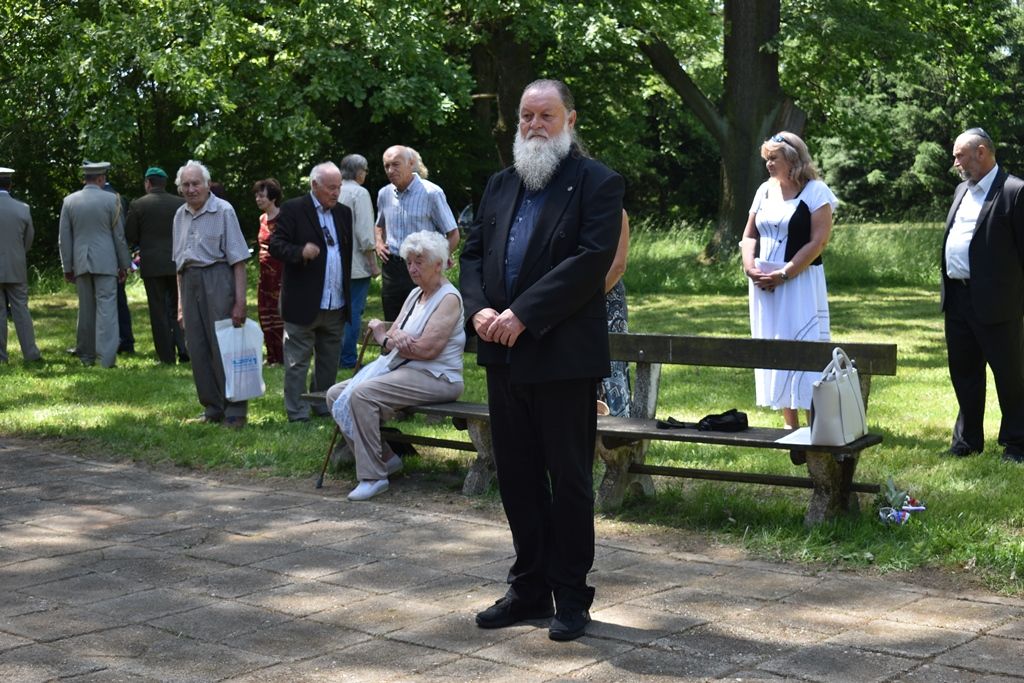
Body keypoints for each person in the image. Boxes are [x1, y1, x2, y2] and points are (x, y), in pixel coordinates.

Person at [460, 79, 624, 642]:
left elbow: (589, 263)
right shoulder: (500, 184)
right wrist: (479, 311)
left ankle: (572, 595)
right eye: (526, 116)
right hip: (501, 356)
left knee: (570, 480)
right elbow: (475, 253)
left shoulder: (598, 183)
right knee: (518, 477)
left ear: (569, 120)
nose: (533, 125)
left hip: (561, 356)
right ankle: (528, 587)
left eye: (545, 116)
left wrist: (523, 313)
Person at [326, 231, 464, 501]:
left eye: (419, 262)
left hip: (438, 377)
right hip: (405, 369)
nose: (412, 268)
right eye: (409, 262)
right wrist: (388, 337)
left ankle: (372, 476)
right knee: (334, 395)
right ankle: (386, 459)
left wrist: (392, 339)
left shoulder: (448, 299)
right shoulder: (415, 295)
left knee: (362, 394)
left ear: (439, 263)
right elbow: (391, 338)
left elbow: (427, 350)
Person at [740, 131, 838, 430]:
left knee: (804, 346)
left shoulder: (816, 191)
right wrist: (750, 268)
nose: (769, 164)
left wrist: (785, 273)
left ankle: (814, 423)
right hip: (763, 284)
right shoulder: (764, 191)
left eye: (774, 158)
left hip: (799, 281)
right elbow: (749, 235)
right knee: (775, 343)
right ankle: (789, 424)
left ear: (793, 160)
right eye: (766, 158)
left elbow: (819, 241)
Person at [941, 127, 1024, 462]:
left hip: (998, 301)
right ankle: (967, 441)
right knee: (964, 371)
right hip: (958, 298)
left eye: (960, 155)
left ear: (981, 151)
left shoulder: (1014, 191)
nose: (956, 162)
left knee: (1010, 374)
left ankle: (1017, 443)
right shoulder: (962, 189)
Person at [269, 162, 353, 422]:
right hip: (303, 301)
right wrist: (299, 252)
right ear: (314, 185)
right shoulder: (294, 209)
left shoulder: (344, 213)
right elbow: (275, 245)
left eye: (339, 187)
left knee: (329, 361)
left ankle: (322, 404)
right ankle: (297, 412)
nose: (336, 192)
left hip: (335, 301)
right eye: (331, 187)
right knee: (297, 362)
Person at [172, 160, 250, 428]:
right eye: (186, 185)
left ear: (207, 185)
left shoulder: (223, 211)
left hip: (218, 279)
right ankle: (212, 407)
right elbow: (179, 266)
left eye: (196, 183)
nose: (191, 189)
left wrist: (240, 302)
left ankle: (235, 411)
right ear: (180, 188)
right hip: (189, 282)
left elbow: (238, 260)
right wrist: (181, 306)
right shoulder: (179, 215)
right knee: (198, 347)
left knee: (225, 347)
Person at [58, 161, 132, 368]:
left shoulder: (69, 201)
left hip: (81, 262)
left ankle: (86, 356)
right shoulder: (112, 200)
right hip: (106, 262)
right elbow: (119, 237)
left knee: (86, 310)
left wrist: (67, 267)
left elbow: (64, 238)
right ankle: (107, 359)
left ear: (85, 179)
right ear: (100, 178)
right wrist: (124, 264)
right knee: (107, 310)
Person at [375, 145, 459, 321]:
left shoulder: (431, 193)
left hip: (423, 266)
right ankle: (392, 348)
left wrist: (439, 259)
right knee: (392, 321)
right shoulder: (384, 194)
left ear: (411, 163)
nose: (390, 170)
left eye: (396, 164)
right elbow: (379, 225)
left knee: (421, 321)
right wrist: (378, 242)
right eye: (386, 166)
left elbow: (453, 234)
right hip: (392, 267)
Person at [124, 166, 188, 364]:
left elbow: (130, 235)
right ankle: (185, 349)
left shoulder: (138, 205)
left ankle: (166, 356)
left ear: (147, 183)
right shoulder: (180, 203)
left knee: (158, 310)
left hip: (152, 266)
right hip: (178, 263)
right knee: (180, 307)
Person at [338, 154, 378, 369]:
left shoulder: (334, 189)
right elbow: (364, 233)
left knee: (336, 310)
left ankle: (334, 355)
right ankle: (347, 358)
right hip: (356, 265)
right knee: (353, 311)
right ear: (359, 171)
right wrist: (373, 263)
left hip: (334, 265)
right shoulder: (359, 193)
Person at [0, 167, 41, 364]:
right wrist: (18, 254)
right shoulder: (22, 208)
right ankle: (31, 354)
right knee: (21, 311)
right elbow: (29, 239)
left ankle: (1, 357)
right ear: (10, 184)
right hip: (16, 265)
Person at [597, 209, 631, 416]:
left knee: (613, 363)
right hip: (572, 298)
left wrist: (585, 298)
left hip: (608, 297)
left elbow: (618, 266)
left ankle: (616, 430)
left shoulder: (617, 213)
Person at [253, 178, 284, 365]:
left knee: (280, 315)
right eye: (256, 195)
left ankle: (281, 357)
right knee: (265, 315)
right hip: (264, 275)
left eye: (262, 195)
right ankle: (271, 355)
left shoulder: (283, 218)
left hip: (280, 273)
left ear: (272, 198)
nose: (258, 199)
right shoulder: (261, 218)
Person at [103, 180, 135, 355]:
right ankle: (125, 340)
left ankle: (122, 341)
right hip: (114, 258)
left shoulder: (113, 199)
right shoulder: (117, 197)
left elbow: (120, 232)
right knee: (119, 301)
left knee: (115, 302)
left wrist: (123, 263)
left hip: (110, 259)